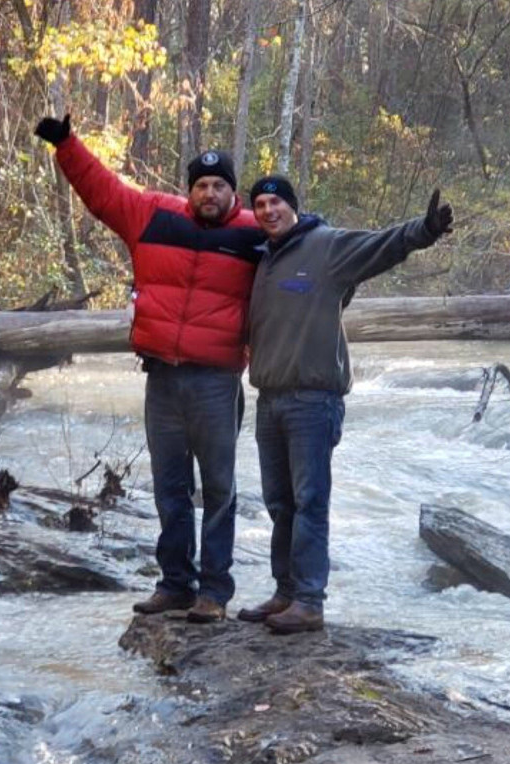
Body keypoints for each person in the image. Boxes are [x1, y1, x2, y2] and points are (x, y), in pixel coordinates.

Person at [34, 114, 262, 623]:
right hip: (162, 377)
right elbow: (103, 192)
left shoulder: (254, 236)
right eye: (201, 185)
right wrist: (67, 145)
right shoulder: (154, 216)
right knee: (169, 486)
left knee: (219, 490)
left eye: (219, 185)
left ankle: (214, 593)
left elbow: (308, 245)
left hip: (217, 382)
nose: (209, 193)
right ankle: (176, 584)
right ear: (189, 191)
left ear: (233, 192)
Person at [236, 175, 453, 634]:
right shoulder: (261, 258)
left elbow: (381, 247)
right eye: (260, 204)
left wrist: (425, 230)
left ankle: (309, 602)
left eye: (276, 202)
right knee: (279, 503)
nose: (268, 210)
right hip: (269, 399)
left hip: (313, 400)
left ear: (293, 206)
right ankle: (285, 592)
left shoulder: (327, 246)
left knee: (310, 500)